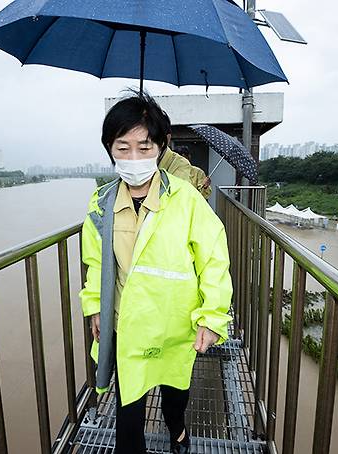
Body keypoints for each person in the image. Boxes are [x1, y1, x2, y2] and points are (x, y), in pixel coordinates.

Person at [78, 92, 233, 454]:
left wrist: (212, 317)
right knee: (128, 404)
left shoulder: (185, 198)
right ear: (109, 149)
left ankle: (177, 429)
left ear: (161, 147)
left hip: (174, 322)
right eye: (123, 147)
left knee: (174, 391)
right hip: (127, 323)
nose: (134, 158)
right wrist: (94, 306)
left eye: (144, 147)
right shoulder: (101, 203)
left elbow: (214, 259)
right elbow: (96, 262)